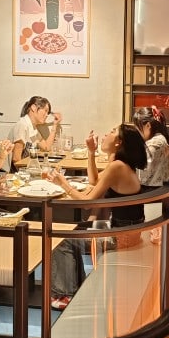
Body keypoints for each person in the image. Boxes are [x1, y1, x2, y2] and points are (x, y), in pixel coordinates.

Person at [47, 124, 148, 310]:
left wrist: (63, 184)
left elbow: (87, 203)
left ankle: (65, 294)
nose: (107, 133)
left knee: (61, 240)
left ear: (118, 142)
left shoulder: (118, 166)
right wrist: (91, 152)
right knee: (74, 232)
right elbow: (95, 181)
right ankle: (74, 287)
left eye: (112, 132)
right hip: (126, 232)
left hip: (121, 238)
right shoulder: (118, 163)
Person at [9, 96, 62, 165]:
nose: (46, 115)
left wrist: (55, 124)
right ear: (33, 107)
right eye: (45, 110)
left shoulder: (33, 128)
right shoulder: (22, 125)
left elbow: (46, 147)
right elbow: (16, 159)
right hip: (13, 170)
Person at [133, 106, 169, 187]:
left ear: (148, 125)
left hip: (151, 190)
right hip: (157, 189)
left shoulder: (155, 143)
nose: (137, 132)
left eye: (138, 128)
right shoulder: (159, 139)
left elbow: (141, 171)